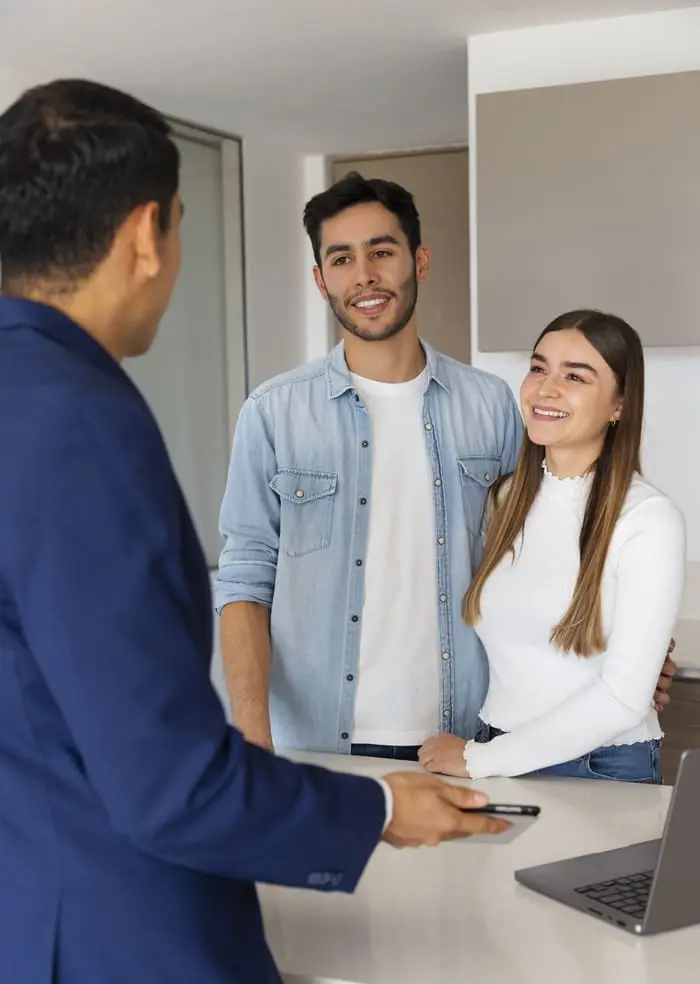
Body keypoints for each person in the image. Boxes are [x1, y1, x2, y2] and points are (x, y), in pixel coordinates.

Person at [0, 80, 508, 984]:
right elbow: (169, 780)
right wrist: (374, 808)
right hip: (119, 927)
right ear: (147, 235)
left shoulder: (489, 406)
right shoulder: (79, 419)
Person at [215, 174, 676, 761]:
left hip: (464, 741)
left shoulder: (494, 408)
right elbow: (244, 582)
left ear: (419, 260)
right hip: (317, 743)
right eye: (341, 259)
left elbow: (560, 546)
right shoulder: (273, 413)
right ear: (320, 279)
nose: (365, 276)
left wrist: (640, 656)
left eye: (382, 251)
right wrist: (253, 737)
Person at [418, 310, 686, 783]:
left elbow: (624, 698)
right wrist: (489, 755)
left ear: (618, 405)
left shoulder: (648, 518)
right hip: (497, 745)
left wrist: (480, 761)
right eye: (539, 368)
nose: (546, 388)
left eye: (576, 376)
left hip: (599, 767)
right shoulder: (504, 501)